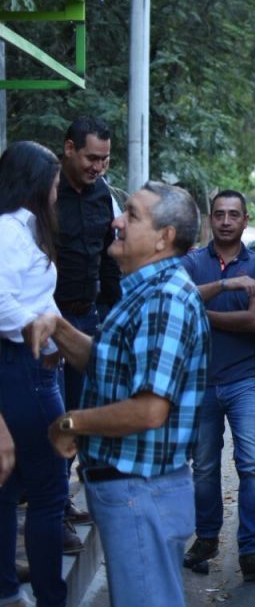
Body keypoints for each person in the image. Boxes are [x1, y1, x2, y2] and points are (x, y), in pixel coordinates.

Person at [28, 181, 209, 607]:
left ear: (164, 238)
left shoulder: (165, 300)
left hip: (139, 492)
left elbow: (148, 410)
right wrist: (58, 326)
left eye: (132, 214)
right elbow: (108, 364)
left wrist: (69, 422)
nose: (116, 221)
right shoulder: (145, 292)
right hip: (132, 492)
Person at [182, 190, 255, 581]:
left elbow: (254, 322)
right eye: (218, 214)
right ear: (210, 220)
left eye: (233, 215)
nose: (224, 221)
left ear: (245, 220)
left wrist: (203, 314)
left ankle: (252, 550)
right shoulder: (190, 262)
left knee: (252, 465)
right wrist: (220, 293)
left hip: (245, 380)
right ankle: (206, 539)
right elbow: (180, 302)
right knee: (203, 468)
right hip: (200, 381)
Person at [0, 141, 68, 607]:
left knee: (12, 487)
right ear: (37, 183)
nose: (58, 190)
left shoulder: (25, 231)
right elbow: (3, 307)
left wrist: (60, 331)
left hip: (33, 366)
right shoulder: (8, 231)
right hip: (24, 368)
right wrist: (42, 334)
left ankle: (8, 589)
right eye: (56, 180)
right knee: (49, 492)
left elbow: (40, 299)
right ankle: (49, 598)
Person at [54, 116, 122, 552]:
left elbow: (110, 261)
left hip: (88, 317)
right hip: (46, 321)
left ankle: (63, 498)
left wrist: (112, 316)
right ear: (69, 149)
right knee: (51, 411)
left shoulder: (105, 197)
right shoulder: (44, 192)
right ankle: (53, 508)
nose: (98, 166)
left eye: (105, 159)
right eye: (92, 157)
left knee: (77, 413)